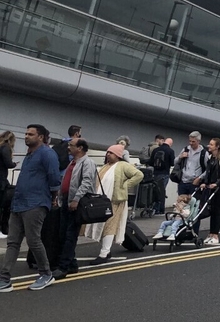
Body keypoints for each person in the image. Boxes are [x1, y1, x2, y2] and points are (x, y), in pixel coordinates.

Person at [0, 124, 61, 291]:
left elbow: (54, 179)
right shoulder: (30, 154)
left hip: (36, 203)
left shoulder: (47, 154)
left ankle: (46, 274)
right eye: (26, 133)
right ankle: (4, 279)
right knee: (12, 242)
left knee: (33, 240)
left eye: (30, 134)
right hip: (18, 204)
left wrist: (53, 199)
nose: (26, 136)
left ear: (40, 137)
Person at [84, 144, 143, 265]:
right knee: (102, 224)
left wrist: (125, 185)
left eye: (111, 153)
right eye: (107, 153)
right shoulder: (106, 166)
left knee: (110, 226)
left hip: (115, 200)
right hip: (103, 201)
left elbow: (139, 175)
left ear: (118, 155)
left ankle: (104, 253)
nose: (108, 155)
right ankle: (105, 251)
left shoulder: (123, 165)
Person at [52, 138, 97, 280]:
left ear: (80, 148)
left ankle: (63, 267)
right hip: (66, 200)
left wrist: (76, 199)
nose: (68, 148)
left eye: (71, 145)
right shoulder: (73, 162)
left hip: (76, 202)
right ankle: (72, 264)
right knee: (63, 233)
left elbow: (87, 182)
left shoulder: (87, 163)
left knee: (70, 235)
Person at [194, 138, 220, 244]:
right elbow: (208, 172)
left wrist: (217, 183)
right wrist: (205, 182)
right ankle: (211, 233)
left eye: (211, 144)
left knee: (217, 211)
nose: (209, 146)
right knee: (212, 210)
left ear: (217, 146)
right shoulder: (210, 157)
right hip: (211, 187)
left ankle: (215, 234)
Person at [174, 132, 208, 196]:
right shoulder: (186, 149)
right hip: (183, 182)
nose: (191, 143)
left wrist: (199, 178)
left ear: (198, 141)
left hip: (194, 183)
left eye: (193, 142)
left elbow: (208, 169)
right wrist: (180, 157)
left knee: (192, 204)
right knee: (181, 204)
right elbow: (174, 162)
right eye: (190, 141)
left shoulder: (204, 153)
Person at [148, 137, 175, 215]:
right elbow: (172, 163)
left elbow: (151, 162)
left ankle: (154, 208)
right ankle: (160, 210)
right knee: (162, 192)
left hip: (155, 173)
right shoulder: (170, 151)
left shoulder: (156, 150)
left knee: (155, 191)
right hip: (164, 173)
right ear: (170, 144)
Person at [0, 131, 18, 239]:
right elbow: (8, 163)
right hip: (1, 179)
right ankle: (3, 227)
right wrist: (14, 164)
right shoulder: (5, 148)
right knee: (3, 205)